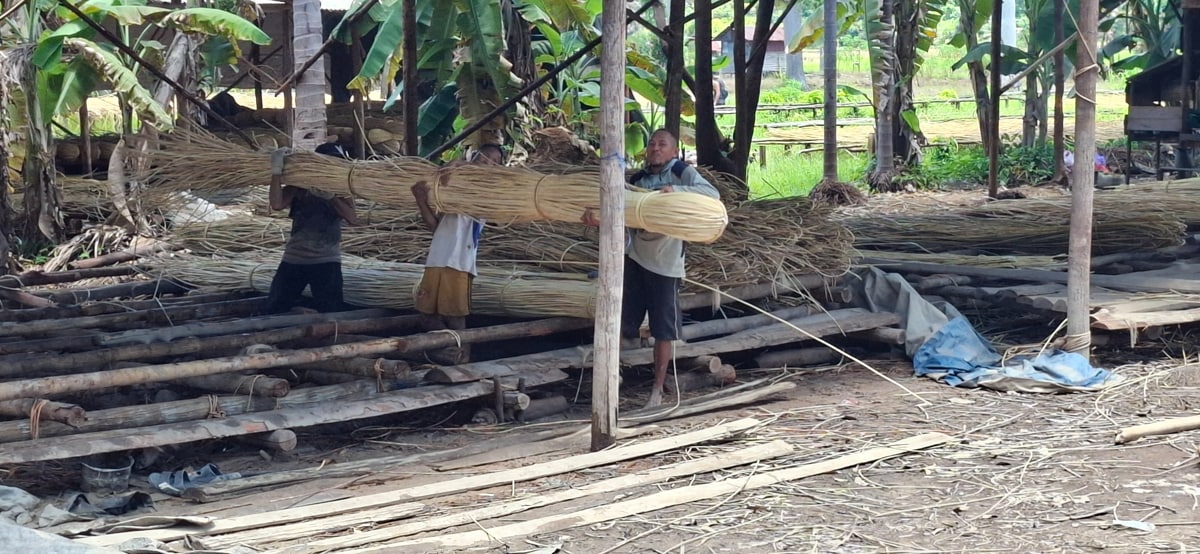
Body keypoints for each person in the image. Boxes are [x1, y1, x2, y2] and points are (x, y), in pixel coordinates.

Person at [582, 129, 720, 408]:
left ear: (674, 151)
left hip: (666, 263)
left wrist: (676, 191)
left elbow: (711, 194)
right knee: (622, 322)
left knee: (663, 329)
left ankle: (657, 390)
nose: (656, 148)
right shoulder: (637, 180)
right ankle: (611, 382)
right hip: (635, 257)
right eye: (652, 143)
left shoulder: (681, 172)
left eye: (662, 144)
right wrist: (600, 220)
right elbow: (624, 218)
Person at [411, 144, 505, 362]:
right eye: (485, 157)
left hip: (459, 261)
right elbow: (435, 227)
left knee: (455, 317)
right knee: (426, 314)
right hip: (437, 258)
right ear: (474, 156)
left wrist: (465, 167)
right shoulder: (452, 191)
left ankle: (463, 357)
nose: (488, 163)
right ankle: (446, 353)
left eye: (495, 162)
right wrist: (420, 200)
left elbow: (447, 175)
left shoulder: (487, 192)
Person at [263, 143, 359, 314]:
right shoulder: (300, 186)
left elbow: (352, 218)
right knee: (274, 308)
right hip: (295, 258)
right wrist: (276, 171)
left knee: (331, 312)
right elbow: (277, 204)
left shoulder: (341, 188)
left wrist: (331, 197)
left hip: (326, 260)